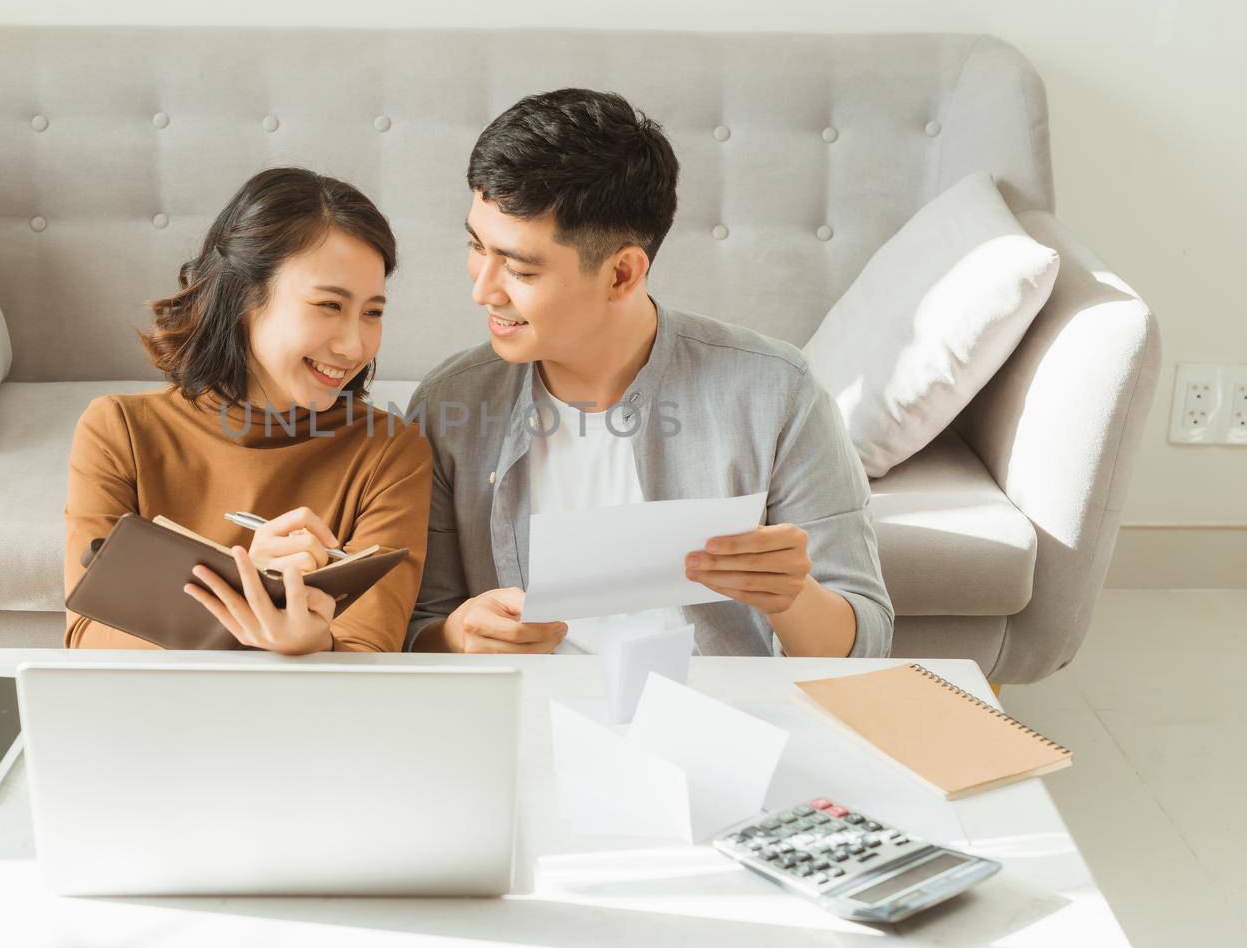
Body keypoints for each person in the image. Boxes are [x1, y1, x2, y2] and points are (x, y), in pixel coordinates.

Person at [406, 89, 892, 657]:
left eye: (518, 268)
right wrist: (455, 634)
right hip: (524, 720)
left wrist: (791, 598)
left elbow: (868, 643)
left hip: (713, 726)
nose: (482, 289)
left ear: (621, 274)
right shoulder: (449, 404)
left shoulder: (776, 392)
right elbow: (417, 625)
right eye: (476, 247)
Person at [63, 167, 432, 654]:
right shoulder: (120, 430)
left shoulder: (390, 454)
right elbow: (87, 638)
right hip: (157, 720)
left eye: (372, 312)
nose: (354, 345)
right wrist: (244, 603)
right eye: (328, 305)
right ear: (243, 299)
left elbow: (369, 653)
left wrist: (313, 645)